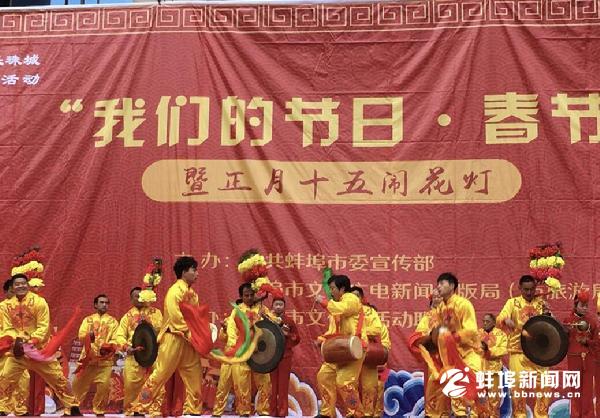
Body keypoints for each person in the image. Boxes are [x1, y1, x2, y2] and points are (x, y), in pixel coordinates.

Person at [132, 256, 203, 417]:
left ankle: (193, 410)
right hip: (173, 337)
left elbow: (196, 316)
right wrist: (192, 333)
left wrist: (200, 333)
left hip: (188, 341)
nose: (197, 273)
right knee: (160, 373)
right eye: (194, 270)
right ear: (184, 272)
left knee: (194, 373)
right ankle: (140, 407)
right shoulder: (174, 291)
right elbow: (175, 317)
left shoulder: (193, 294)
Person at [0, 274, 81, 416]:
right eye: (17, 284)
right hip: (18, 352)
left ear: (28, 285)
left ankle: (72, 406)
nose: (21, 286)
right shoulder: (5, 306)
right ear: (13, 287)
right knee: (6, 377)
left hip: (39, 351)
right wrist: (16, 340)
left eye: (23, 283)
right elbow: (7, 328)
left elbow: (43, 326)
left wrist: (31, 340)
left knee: (57, 378)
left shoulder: (39, 302)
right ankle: (3, 407)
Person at [496, 274, 549, 418]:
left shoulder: (541, 303)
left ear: (535, 288)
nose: (529, 292)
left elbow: (550, 326)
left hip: (539, 353)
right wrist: (506, 320)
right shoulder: (512, 303)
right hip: (518, 351)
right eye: (526, 289)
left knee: (544, 385)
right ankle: (520, 415)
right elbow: (499, 319)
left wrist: (548, 314)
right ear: (520, 288)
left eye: (532, 289)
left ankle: (541, 415)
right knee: (517, 386)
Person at [314, 274, 367, 418]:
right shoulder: (338, 306)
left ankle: (356, 414)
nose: (331, 292)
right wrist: (322, 339)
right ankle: (327, 413)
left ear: (342, 289)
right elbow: (333, 331)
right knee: (324, 376)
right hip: (341, 348)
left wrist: (324, 302)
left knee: (344, 382)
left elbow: (340, 309)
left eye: (332, 288)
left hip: (355, 348)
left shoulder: (351, 299)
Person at [433, 273, 481, 417]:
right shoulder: (440, 308)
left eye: (442, 283)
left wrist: (455, 337)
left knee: (473, 390)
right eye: (438, 284)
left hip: (469, 353)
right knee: (457, 394)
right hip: (452, 357)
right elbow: (440, 331)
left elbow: (472, 330)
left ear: (452, 286)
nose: (438, 287)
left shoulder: (463, 304)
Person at [115, 287, 163, 416]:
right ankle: (132, 411)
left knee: (155, 383)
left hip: (153, 355)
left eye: (141, 295)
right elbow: (119, 335)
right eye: (136, 296)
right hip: (134, 355)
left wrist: (150, 324)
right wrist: (127, 347)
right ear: (131, 299)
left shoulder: (156, 312)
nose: (139, 298)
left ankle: (153, 410)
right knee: (131, 385)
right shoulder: (127, 316)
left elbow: (162, 330)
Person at [226, 283, 272, 416]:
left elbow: (273, 324)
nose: (250, 297)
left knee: (265, 382)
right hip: (242, 351)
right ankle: (244, 411)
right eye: (246, 295)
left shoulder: (262, 309)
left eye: (252, 295)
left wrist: (266, 317)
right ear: (241, 296)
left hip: (260, 352)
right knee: (242, 383)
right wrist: (235, 346)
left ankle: (263, 411)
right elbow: (231, 330)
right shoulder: (237, 311)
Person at [71, 294, 119, 416]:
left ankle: (99, 410)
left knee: (104, 387)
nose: (104, 305)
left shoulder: (113, 322)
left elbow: (116, 339)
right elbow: (81, 335)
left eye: (106, 303)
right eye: (101, 302)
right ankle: (72, 409)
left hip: (105, 361)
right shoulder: (88, 320)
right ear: (95, 305)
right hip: (87, 359)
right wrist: (89, 336)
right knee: (78, 385)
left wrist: (109, 346)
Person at [407, 288, 449, 418]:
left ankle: (444, 413)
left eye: (440, 296)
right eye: (435, 297)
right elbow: (420, 333)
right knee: (432, 384)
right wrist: (431, 336)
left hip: (448, 356)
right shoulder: (427, 317)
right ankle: (431, 414)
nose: (437, 299)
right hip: (433, 357)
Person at [562, 289, 597, 418]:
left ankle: (588, 415)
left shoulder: (592, 321)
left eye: (586, 306)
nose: (585, 308)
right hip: (573, 359)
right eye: (582, 305)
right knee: (575, 390)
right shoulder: (568, 321)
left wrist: (587, 341)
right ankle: (575, 415)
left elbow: (597, 343)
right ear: (575, 305)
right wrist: (565, 332)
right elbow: (561, 341)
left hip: (589, 359)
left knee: (588, 391)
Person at [350, 286, 383, 418]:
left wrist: (360, 334)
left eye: (357, 296)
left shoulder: (370, 312)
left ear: (362, 298)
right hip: (351, 354)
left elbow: (376, 329)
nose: (354, 298)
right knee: (349, 385)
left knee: (369, 386)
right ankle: (353, 412)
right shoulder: (346, 313)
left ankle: (368, 413)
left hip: (368, 353)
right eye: (352, 296)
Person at [0, 278, 29, 416]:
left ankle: (20, 409)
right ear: (6, 292)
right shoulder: (2, 307)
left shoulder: (24, 308)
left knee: (24, 379)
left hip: (18, 349)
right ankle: (2, 407)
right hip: (4, 349)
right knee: (4, 378)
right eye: (12, 291)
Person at [269, 297, 300, 417]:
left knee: (283, 385)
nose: (278, 307)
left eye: (280, 304)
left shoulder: (289, 321)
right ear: (272, 306)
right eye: (276, 304)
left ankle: (282, 412)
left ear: (284, 307)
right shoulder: (268, 320)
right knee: (272, 385)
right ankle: (272, 412)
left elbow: (297, 338)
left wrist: (288, 334)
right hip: (271, 356)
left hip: (285, 356)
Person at [479, 313, 508, 418]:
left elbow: (503, 350)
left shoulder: (501, 335)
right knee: (479, 398)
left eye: (487, 321)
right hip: (479, 371)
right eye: (483, 321)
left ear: (494, 323)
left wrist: (488, 350)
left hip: (494, 371)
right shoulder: (478, 334)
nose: (485, 323)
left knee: (494, 398)